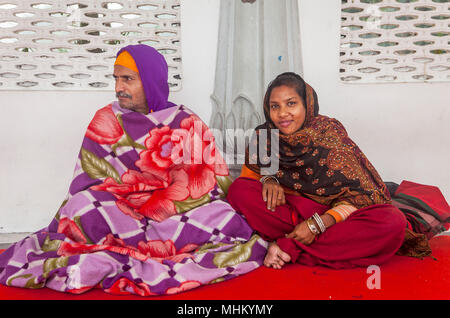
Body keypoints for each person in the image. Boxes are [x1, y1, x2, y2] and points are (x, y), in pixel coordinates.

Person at [0, 45, 266, 296]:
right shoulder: (106, 119)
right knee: (80, 207)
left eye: (128, 79)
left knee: (224, 217)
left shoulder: (185, 121)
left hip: (173, 212)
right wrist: (131, 202)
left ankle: (137, 246)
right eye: (116, 79)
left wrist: (159, 205)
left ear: (150, 80)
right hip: (121, 210)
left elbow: (209, 183)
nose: (118, 88)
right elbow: (87, 181)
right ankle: (142, 245)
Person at [227, 72, 430, 269]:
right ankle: (307, 244)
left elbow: (361, 196)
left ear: (307, 105)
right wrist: (268, 180)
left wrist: (316, 225)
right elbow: (251, 179)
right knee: (239, 191)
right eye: (275, 106)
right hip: (292, 214)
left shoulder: (329, 133)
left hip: (334, 219)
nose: (282, 113)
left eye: (291, 103)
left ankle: (288, 246)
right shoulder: (265, 136)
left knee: (392, 221)